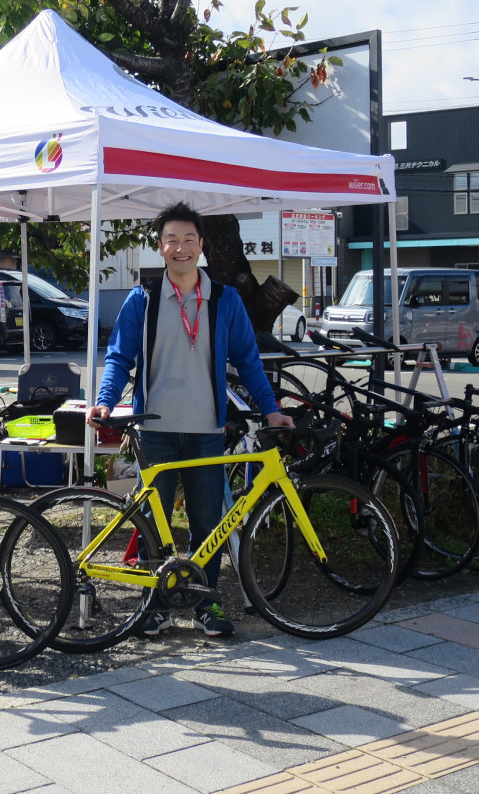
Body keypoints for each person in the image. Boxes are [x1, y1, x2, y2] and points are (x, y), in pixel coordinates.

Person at [85, 202, 295, 638]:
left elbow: (248, 361)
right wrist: (105, 401)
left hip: (206, 430)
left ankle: (205, 605)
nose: (180, 248)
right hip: (155, 430)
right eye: (171, 240)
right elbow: (120, 357)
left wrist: (271, 408)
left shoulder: (224, 298)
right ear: (159, 247)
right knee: (151, 525)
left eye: (189, 240)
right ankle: (154, 607)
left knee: (207, 525)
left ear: (201, 246)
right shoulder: (142, 298)